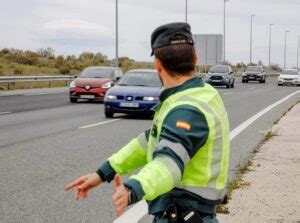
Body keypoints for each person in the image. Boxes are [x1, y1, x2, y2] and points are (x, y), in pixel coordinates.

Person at [65, 22, 230, 223]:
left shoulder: (187, 109)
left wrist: (132, 189)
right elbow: (148, 142)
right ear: (195, 59)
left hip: (183, 214)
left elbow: (169, 163)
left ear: (158, 65)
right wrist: (103, 173)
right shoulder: (203, 95)